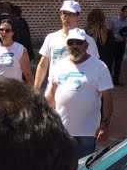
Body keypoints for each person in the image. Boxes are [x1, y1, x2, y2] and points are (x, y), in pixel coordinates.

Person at [46, 28, 114, 158]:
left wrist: (104, 125)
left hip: (87, 133)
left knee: (82, 166)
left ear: (86, 45)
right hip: (61, 130)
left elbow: (108, 98)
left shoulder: (99, 66)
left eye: (79, 42)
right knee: (61, 165)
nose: (74, 46)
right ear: (66, 45)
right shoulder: (59, 65)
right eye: (70, 42)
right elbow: (51, 93)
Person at [33, 0, 98, 92]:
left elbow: (94, 66)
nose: (66, 17)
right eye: (64, 13)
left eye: (70, 14)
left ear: (77, 16)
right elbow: (43, 65)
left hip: (77, 90)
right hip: (53, 90)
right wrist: (36, 88)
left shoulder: (87, 41)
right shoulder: (51, 38)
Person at [0, 17, 33, 83]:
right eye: (1, 30)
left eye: (7, 30)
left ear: (12, 33)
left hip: (14, 87)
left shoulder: (20, 49)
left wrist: (34, 88)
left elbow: (27, 74)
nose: (4, 32)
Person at [108, 5, 127, 85]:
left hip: (122, 44)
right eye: (126, 13)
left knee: (119, 62)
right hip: (113, 43)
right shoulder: (113, 20)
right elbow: (108, 32)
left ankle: (116, 80)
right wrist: (116, 37)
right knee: (110, 61)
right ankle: (107, 79)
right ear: (122, 11)